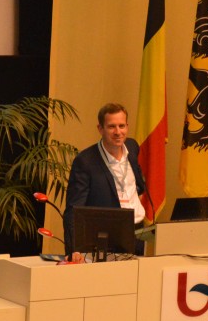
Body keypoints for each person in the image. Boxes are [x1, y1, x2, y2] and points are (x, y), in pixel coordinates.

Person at [62, 102, 146, 258]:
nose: (118, 132)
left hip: (139, 232)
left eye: (122, 126)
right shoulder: (85, 161)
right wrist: (74, 250)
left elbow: (136, 183)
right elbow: (74, 210)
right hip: (109, 238)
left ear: (127, 126)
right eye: (111, 127)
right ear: (100, 129)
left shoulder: (132, 147)